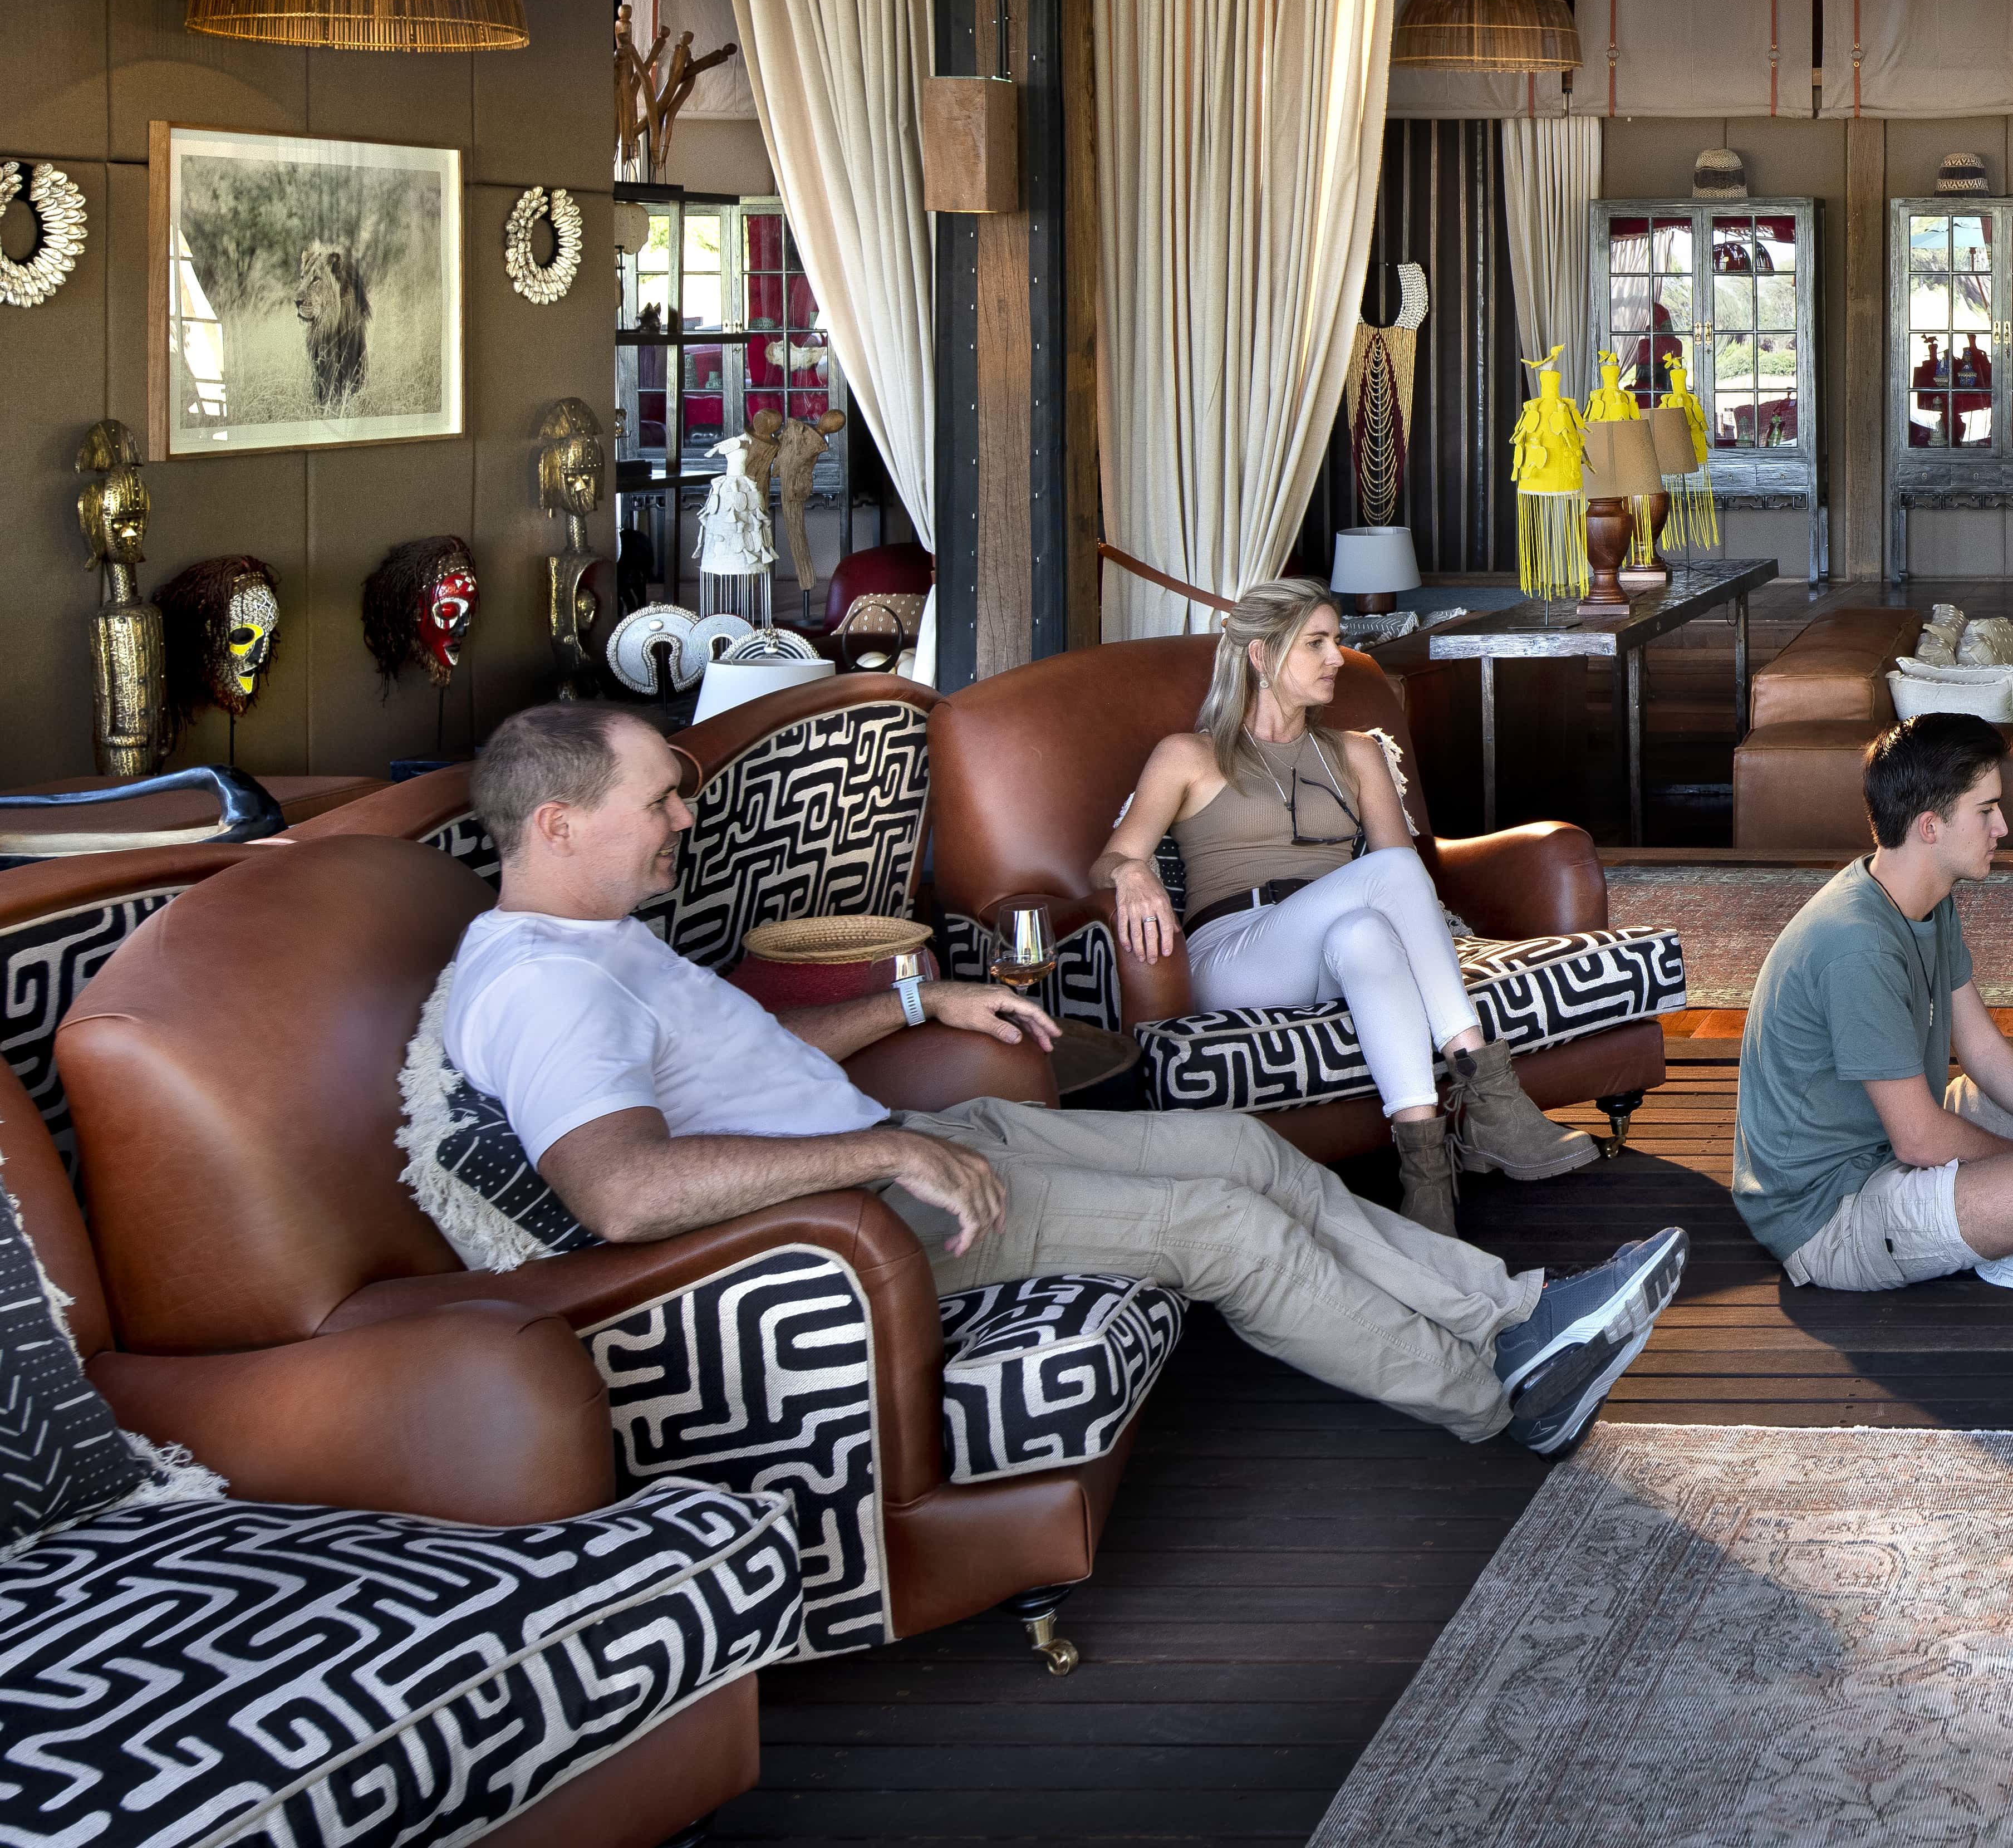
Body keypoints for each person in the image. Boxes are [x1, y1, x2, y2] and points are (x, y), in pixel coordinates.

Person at [445, 702, 1682, 1456]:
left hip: (907, 1140)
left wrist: (913, 1001)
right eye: (659, 803)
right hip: (850, 1227)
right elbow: (620, 1191)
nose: (682, 820)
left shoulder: (602, 945)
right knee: (1221, 1229)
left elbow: (739, 1074)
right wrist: (882, 1155)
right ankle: (1498, 1398)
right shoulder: (542, 988)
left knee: (1243, 1145)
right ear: (557, 825)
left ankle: (1519, 1313)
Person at [1093, 577, 1593, 1237]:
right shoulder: (1190, 755)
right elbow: (1107, 861)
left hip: (1331, 952)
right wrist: (1132, 874)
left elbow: (1405, 883)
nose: (1337, 657)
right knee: (1381, 877)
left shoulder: (1357, 753)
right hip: (1236, 956)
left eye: (1337, 641)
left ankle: (1426, 1175)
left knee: (1365, 932)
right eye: (1318, 643)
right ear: (1262, 656)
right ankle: (1492, 1095)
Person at [1732, 713, 2013, 1293]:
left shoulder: (1925, 898)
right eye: (1986, 811)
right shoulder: (1856, 944)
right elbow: (1918, 1139)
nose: (2004, 827)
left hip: (1894, 1141)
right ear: (1930, 826)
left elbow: (1984, 1049)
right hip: (1830, 1213)